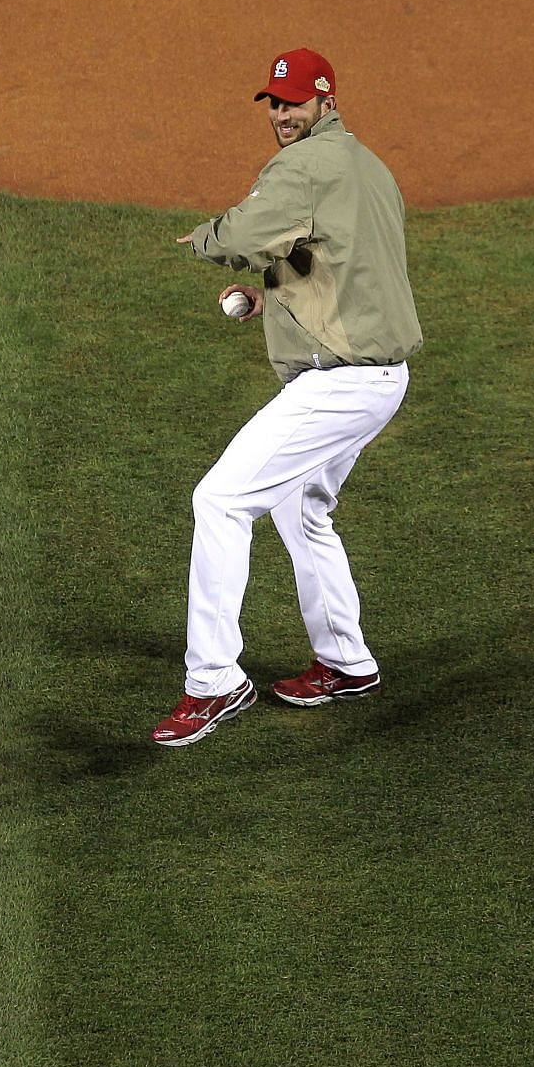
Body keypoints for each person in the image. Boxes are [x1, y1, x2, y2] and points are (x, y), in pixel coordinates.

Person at [157, 47, 424, 747]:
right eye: (275, 103)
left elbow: (243, 235)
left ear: (326, 100)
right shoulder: (368, 167)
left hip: (342, 384)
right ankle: (346, 661)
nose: (282, 114)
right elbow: (343, 258)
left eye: (295, 102)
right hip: (379, 377)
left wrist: (213, 241)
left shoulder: (303, 165)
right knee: (299, 505)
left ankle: (213, 681)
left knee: (219, 500)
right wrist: (265, 298)